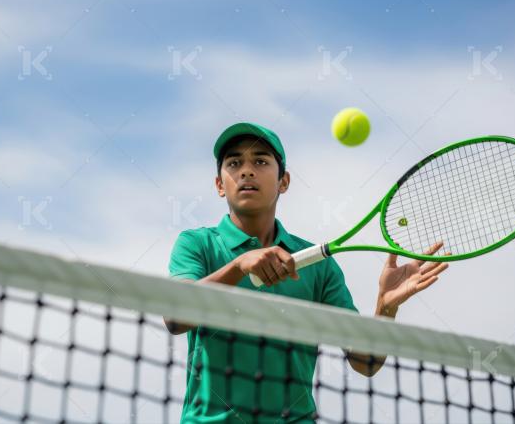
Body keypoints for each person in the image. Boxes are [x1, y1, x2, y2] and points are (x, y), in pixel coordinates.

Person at [165, 122, 450, 422]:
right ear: (220, 184)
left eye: (260, 161)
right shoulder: (196, 244)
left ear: (283, 181)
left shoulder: (319, 264)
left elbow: (365, 362)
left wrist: (385, 307)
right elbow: (174, 316)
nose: (246, 171)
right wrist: (239, 265)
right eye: (234, 163)